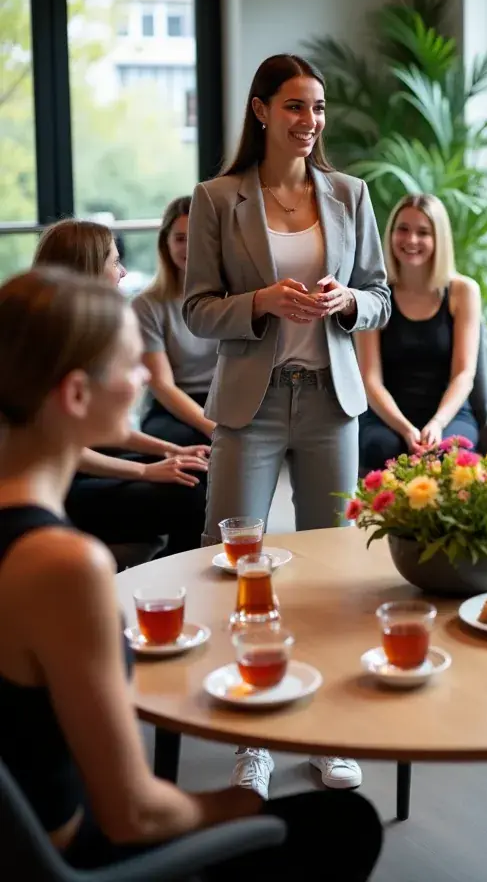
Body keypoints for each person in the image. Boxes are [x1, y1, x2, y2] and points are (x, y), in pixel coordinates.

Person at [0, 267, 382, 878]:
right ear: (75, 395)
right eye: (129, 366)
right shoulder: (62, 564)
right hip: (70, 860)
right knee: (347, 823)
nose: (142, 380)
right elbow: (135, 814)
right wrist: (243, 806)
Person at [184, 53, 390, 797]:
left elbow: (379, 297)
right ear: (262, 110)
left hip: (332, 402)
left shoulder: (350, 194)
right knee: (237, 565)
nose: (311, 121)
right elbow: (197, 309)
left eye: (319, 107)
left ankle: (327, 730)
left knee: (333, 572)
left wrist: (349, 303)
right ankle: (253, 738)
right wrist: (261, 302)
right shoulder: (217, 198)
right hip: (253, 404)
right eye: (296, 106)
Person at [33, 219, 209, 566]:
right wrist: (146, 471)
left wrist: (173, 451)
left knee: (194, 470)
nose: (124, 271)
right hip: (57, 485)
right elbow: (66, 449)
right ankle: (177, 580)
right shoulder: (49, 339)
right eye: (115, 261)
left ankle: (176, 574)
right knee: (187, 493)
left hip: (79, 471)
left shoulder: (84, 329)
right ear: (88, 267)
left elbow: (112, 432)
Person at [355, 192, 482, 471]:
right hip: (386, 416)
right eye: (403, 229)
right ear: (390, 234)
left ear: (439, 239)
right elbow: (370, 379)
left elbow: (464, 374)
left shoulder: (463, 292)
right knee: (383, 450)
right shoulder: (373, 293)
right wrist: (405, 428)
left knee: (450, 454)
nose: (411, 240)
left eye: (423, 232)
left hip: (448, 415)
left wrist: (437, 423)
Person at [133, 196, 219, 448]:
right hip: (171, 408)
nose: (189, 247)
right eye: (180, 238)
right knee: (194, 445)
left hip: (228, 402)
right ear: (166, 244)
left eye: (198, 237)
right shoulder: (146, 305)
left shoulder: (237, 298)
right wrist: (213, 428)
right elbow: (162, 385)